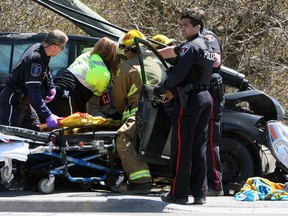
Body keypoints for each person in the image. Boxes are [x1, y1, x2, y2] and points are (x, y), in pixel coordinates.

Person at [153, 8, 216, 205]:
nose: (182, 29)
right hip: (205, 98)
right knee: (199, 147)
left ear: (197, 27)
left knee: (181, 147)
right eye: (181, 25)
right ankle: (199, 193)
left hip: (189, 100)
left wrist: (161, 89)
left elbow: (178, 73)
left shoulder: (192, 47)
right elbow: (176, 51)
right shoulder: (206, 46)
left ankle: (178, 193)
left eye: (186, 26)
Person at [112, 29, 166, 194]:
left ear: (128, 50)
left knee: (123, 139)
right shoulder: (158, 62)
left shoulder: (127, 66)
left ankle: (140, 181)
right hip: (162, 115)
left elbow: (119, 98)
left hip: (140, 115)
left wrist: (121, 113)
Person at [0, 29, 68, 131]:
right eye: (62, 48)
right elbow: (34, 92)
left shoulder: (40, 49)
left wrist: (51, 86)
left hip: (25, 102)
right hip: (14, 102)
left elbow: (46, 69)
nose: (61, 51)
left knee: (36, 131)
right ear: (55, 46)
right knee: (9, 134)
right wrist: (48, 115)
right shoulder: (35, 61)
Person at [47, 37, 119, 117]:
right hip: (67, 98)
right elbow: (93, 102)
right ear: (111, 55)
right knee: (66, 127)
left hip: (54, 90)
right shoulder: (105, 74)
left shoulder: (85, 55)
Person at [202, 28, 225, 197]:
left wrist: (197, 55)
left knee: (210, 142)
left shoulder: (207, 37)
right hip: (200, 97)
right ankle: (202, 184)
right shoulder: (194, 40)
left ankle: (215, 185)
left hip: (211, 95)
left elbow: (216, 61)